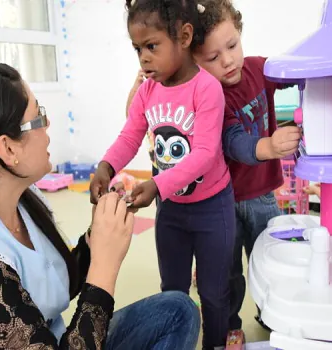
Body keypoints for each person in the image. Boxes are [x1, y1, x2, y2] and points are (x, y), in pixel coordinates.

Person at [0, 63, 200, 350]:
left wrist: (97, 236)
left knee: (177, 310)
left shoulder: (21, 200)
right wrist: (104, 267)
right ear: (8, 149)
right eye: (38, 117)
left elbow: (52, 282)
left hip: (53, 338)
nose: (47, 125)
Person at [91, 1, 235, 348]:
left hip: (213, 209)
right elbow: (130, 136)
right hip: (171, 211)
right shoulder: (147, 92)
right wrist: (106, 167)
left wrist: (156, 185)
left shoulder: (207, 89)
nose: (143, 57)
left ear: (184, 37)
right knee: (172, 294)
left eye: (151, 46)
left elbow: (204, 155)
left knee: (215, 294)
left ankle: (214, 343)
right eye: (137, 48)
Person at [192, 0, 301, 345]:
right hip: (222, 203)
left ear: (240, 34)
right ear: (195, 61)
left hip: (262, 196)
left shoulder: (259, 69)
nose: (227, 61)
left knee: (272, 262)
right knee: (228, 273)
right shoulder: (210, 96)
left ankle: (274, 314)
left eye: (232, 45)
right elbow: (235, 141)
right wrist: (269, 146)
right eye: (212, 57)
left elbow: (292, 71)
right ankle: (229, 324)